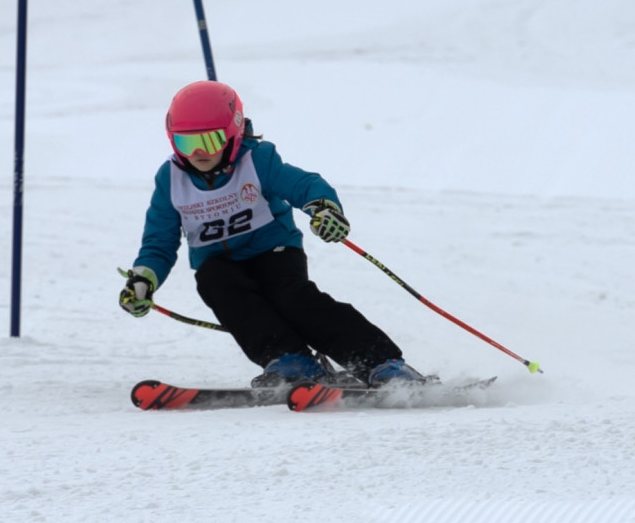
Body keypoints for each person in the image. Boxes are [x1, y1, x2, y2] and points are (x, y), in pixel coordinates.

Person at [118, 80, 425, 388]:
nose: (198, 153)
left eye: (210, 142)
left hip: (273, 251)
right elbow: (160, 240)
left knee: (291, 298)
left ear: (232, 135)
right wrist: (144, 280)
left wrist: (324, 209)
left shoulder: (257, 160)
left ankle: (380, 362)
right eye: (186, 143)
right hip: (218, 261)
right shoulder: (171, 179)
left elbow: (303, 184)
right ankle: (292, 361)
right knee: (216, 283)